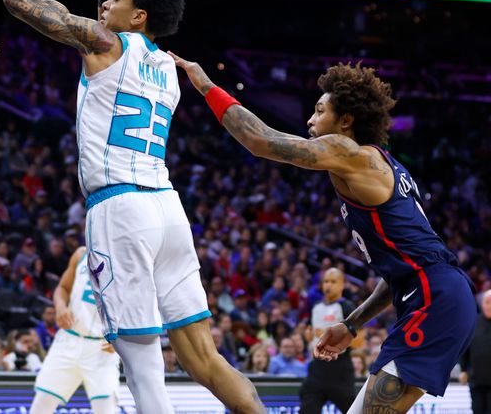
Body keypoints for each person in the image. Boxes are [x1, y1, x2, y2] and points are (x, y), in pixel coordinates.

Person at [4, 0, 266, 414]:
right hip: (167, 210)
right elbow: (117, 47)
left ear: (139, 13)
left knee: (143, 372)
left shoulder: (104, 43)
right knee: (206, 361)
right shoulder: (168, 66)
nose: (109, 1)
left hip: (120, 209)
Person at [173, 57, 477, 413]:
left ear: (346, 120)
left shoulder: (351, 153)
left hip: (434, 299)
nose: (309, 120)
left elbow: (261, 141)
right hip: (436, 293)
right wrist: (352, 324)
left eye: (319, 111)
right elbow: (402, 272)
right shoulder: (376, 166)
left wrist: (207, 87)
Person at [30, 247, 120, 413]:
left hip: (102, 347)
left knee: (106, 410)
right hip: (68, 339)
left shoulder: (128, 260)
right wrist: (60, 307)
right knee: (40, 407)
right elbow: (62, 288)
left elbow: (138, 304)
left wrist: (123, 336)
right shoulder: (81, 254)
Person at [299, 268, 357, 413]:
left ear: (342, 285)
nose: (328, 285)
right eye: (326, 281)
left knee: (352, 409)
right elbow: (310, 334)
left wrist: (334, 339)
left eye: (333, 281)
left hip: (340, 368)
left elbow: (359, 340)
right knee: (307, 402)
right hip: (317, 367)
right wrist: (308, 336)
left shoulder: (347, 306)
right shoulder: (316, 306)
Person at [460, 290, 491, 414]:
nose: (488, 306)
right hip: (476, 380)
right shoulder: (473, 323)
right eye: (486, 302)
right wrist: (463, 369)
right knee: (477, 410)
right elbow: (465, 348)